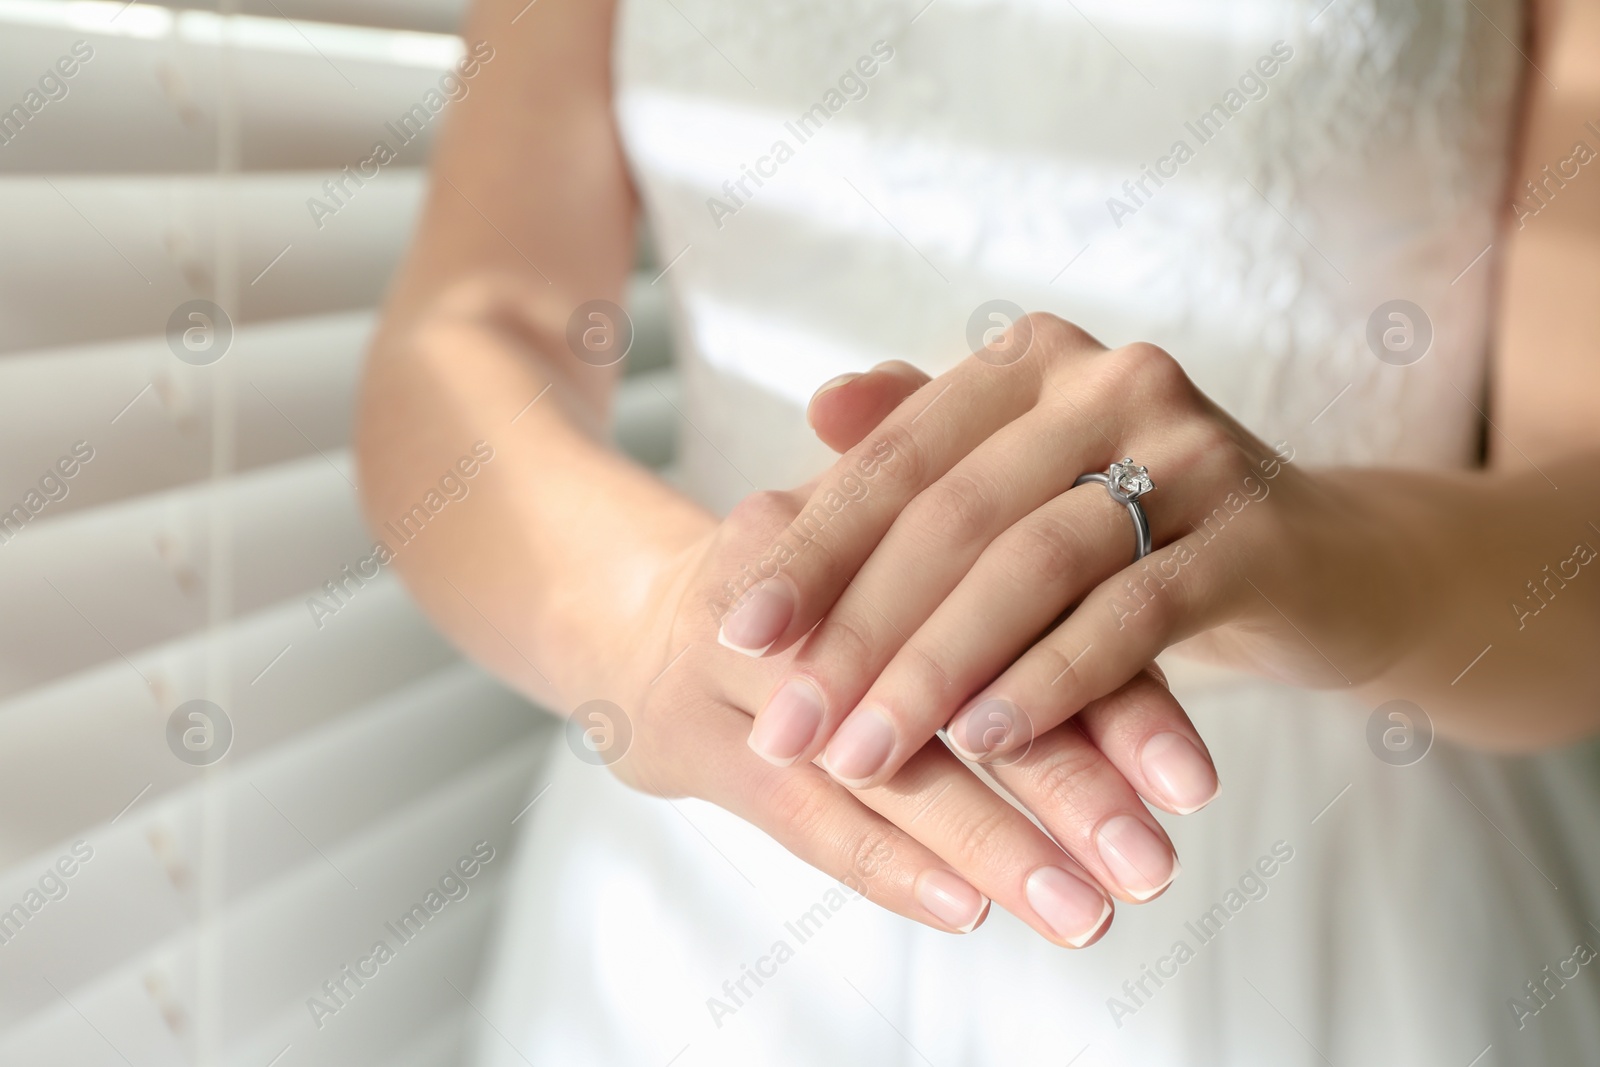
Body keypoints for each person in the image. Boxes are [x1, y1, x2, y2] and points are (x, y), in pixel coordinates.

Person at [356, 0, 1600, 1062]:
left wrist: (1313, 550)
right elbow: (469, 332)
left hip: (1348, 880)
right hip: (733, 816)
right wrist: (642, 611)